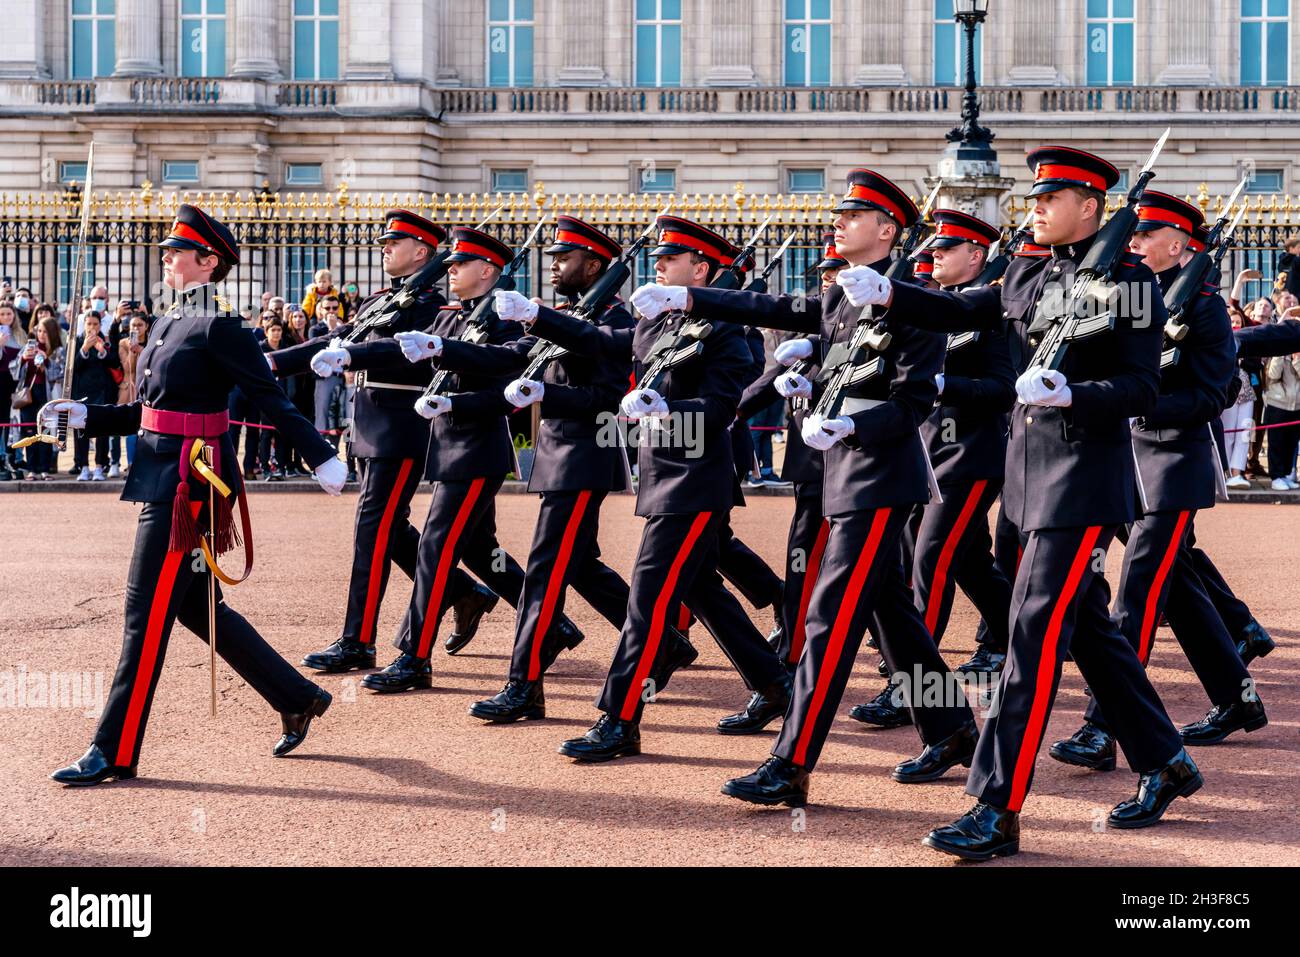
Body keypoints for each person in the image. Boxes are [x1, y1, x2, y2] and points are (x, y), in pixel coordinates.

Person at [859, 146, 1201, 860]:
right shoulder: (1026, 269)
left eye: (1051, 199)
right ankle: (1165, 760)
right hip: (1024, 484)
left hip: (1082, 484)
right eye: (1036, 197)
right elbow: (960, 306)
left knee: (1030, 640)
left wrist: (1075, 393)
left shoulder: (1131, 282)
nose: (1036, 208)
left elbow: (1141, 388)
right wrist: (888, 292)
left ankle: (996, 805)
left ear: (1089, 207)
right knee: (1087, 633)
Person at [681, 170, 977, 801]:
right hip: (843, 475)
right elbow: (774, 308)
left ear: (887, 230)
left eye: (852, 216)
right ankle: (951, 727)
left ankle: (791, 763)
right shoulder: (843, 295)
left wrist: (849, 422)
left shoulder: (915, 300)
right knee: (892, 615)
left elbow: (913, 402)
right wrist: (691, 300)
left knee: (828, 619)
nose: (837, 224)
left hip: (880, 478)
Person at [45, 203, 348, 786]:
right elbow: (149, 412)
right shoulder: (165, 321)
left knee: (144, 612)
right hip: (163, 470)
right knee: (191, 604)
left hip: (191, 483)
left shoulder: (220, 324)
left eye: (177, 251)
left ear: (209, 262)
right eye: (167, 250)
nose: (166, 257)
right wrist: (87, 415)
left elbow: (269, 395)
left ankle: (114, 747)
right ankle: (295, 695)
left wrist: (321, 456)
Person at [504, 214, 790, 760]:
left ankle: (619, 717)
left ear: (700, 269)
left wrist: (669, 406)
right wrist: (537, 315)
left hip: (697, 479)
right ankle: (774, 684)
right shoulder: (657, 324)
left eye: (669, 261)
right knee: (702, 588)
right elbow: (595, 339)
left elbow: (724, 405)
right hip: (659, 474)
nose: (656, 268)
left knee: (648, 598)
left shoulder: (729, 328)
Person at [1049, 189, 1265, 766]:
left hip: (1173, 465)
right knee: (1185, 591)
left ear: (1177, 245)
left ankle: (1104, 726)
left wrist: (1145, 406)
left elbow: (1214, 393)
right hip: (1126, 460)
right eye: (1133, 235)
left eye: (1144, 237)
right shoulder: (1129, 294)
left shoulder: (1204, 309)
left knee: (1139, 591)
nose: (1134, 243)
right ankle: (1239, 698)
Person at [403, 215, 635, 722]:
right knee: (576, 565)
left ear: (594, 264)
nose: (553, 266)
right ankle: (662, 641)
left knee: (545, 573)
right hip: (555, 457)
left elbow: (604, 391)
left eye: (564, 258)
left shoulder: (615, 319)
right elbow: (509, 356)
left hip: (585, 457)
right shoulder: (564, 313)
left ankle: (524, 685)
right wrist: (442, 348)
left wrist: (546, 385)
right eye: (551, 257)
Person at [314, 225, 559, 692]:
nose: (449, 271)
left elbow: (507, 361)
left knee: (435, 548)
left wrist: (445, 352)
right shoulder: (450, 315)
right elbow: (407, 348)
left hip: (475, 448)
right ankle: (553, 629)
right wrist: (349, 353)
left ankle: (413, 657)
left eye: (459, 265)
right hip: (444, 446)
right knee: (473, 549)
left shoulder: (510, 318)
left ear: (487, 270)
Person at [274, 214, 514, 676]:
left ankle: (359, 640)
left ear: (422, 251)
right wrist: (273, 363)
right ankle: (470, 596)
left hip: (403, 428)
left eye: (394, 242)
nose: (384, 248)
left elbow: (403, 355)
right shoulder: (382, 299)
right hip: (370, 426)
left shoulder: (430, 306)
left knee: (376, 530)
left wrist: (352, 354)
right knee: (411, 533)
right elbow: (335, 339)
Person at [864, 209, 1014, 723]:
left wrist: (951, 387)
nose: (933, 258)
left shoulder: (992, 311)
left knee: (931, 558)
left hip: (971, 455)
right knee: (968, 559)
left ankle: (914, 686)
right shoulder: (928, 308)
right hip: (927, 451)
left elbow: (1005, 388)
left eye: (945, 251)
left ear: (975, 256)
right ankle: (1012, 635)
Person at [70, 310, 121, 481]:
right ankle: (83, 466)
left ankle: (100, 466)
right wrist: (84, 348)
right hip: (82, 393)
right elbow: (73, 368)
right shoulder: (76, 341)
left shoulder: (105, 342)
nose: (92, 327)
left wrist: (102, 352)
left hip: (102, 392)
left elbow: (115, 362)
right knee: (81, 431)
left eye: (95, 324)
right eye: (89, 324)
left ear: (100, 325)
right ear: (84, 324)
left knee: (102, 432)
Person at [16, 316, 64, 479]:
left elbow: (59, 373)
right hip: (29, 395)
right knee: (30, 432)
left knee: (46, 430)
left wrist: (46, 362)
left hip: (47, 394)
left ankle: (44, 468)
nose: (42, 334)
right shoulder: (28, 347)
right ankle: (32, 469)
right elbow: (16, 372)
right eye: (39, 331)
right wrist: (24, 359)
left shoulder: (57, 350)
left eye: (45, 331)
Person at [117, 311, 151, 468]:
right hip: (129, 388)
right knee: (129, 426)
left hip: (148, 387)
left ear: (146, 326)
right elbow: (128, 368)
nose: (136, 328)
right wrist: (132, 351)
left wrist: (142, 351)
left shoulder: (152, 343)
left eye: (140, 325)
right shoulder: (123, 343)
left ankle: (144, 462)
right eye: (133, 325)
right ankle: (130, 463)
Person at [0, 301, 26, 480]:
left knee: (13, 424)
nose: (6, 317)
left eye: (9, 314)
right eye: (2, 314)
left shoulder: (20, 334)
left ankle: (12, 457)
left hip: (15, 384)